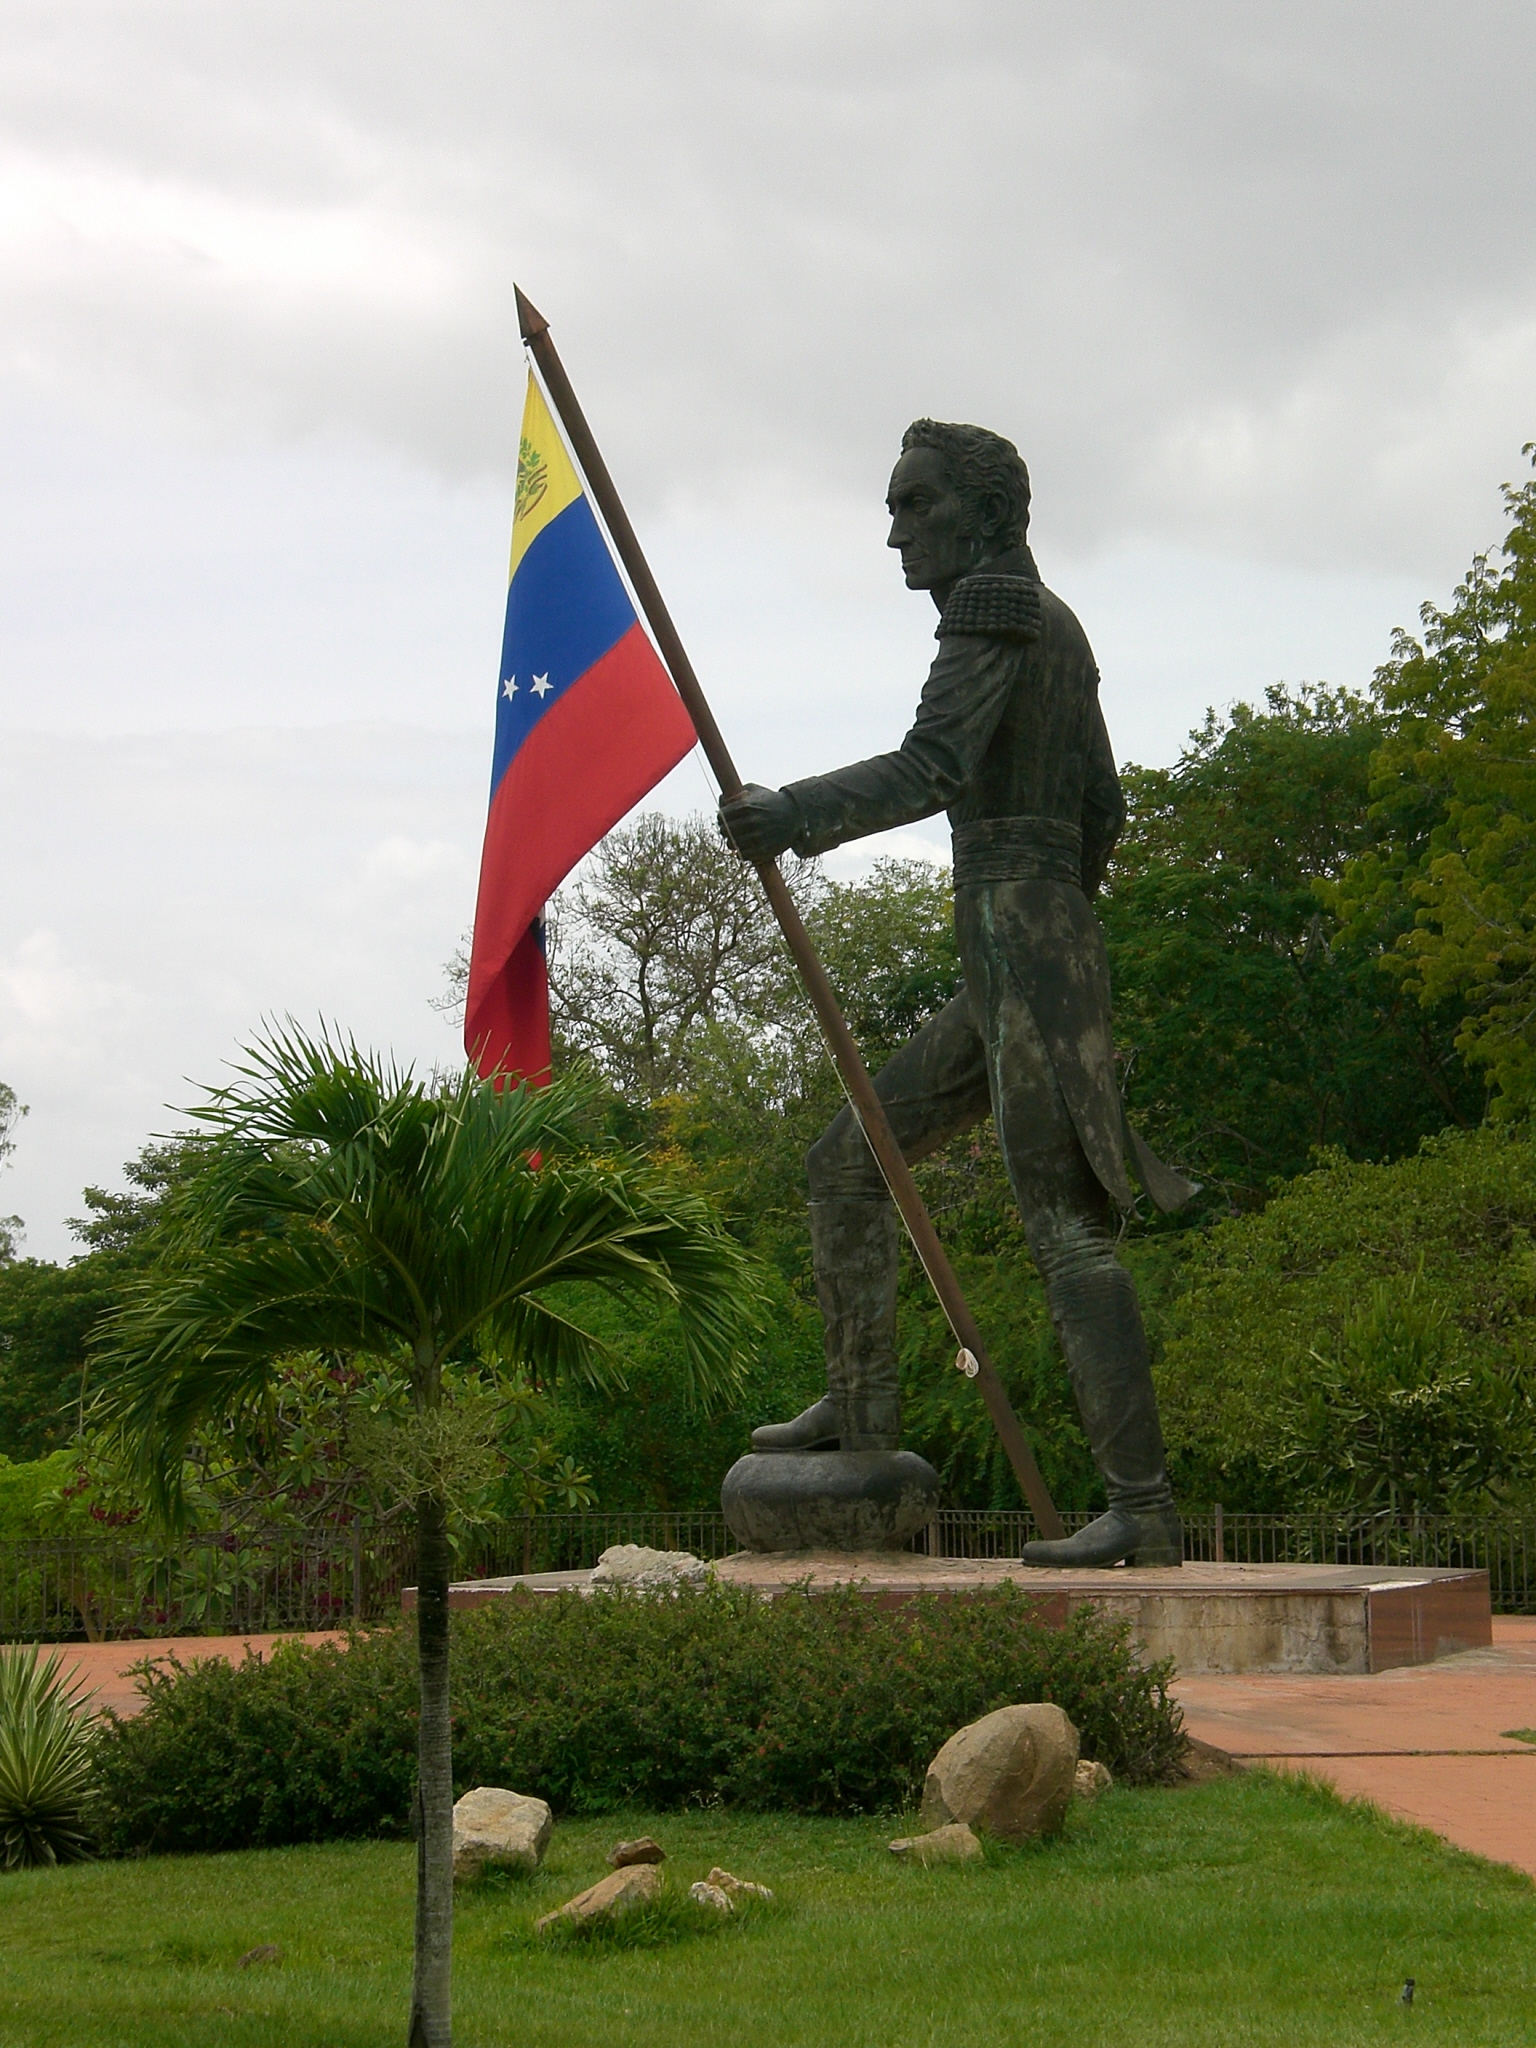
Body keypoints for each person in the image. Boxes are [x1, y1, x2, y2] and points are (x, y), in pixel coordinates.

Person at [718, 418, 1184, 1569]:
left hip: (1022, 940)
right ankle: (860, 1403)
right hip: (1025, 942)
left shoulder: (992, 607)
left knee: (1066, 1231)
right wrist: (1054, 915)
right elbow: (1105, 803)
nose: (897, 533)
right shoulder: (1056, 621)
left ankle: (1142, 1505)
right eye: (895, 508)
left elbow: (935, 764)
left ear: (985, 513)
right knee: (847, 1162)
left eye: (916, 505)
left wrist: (795, 813)